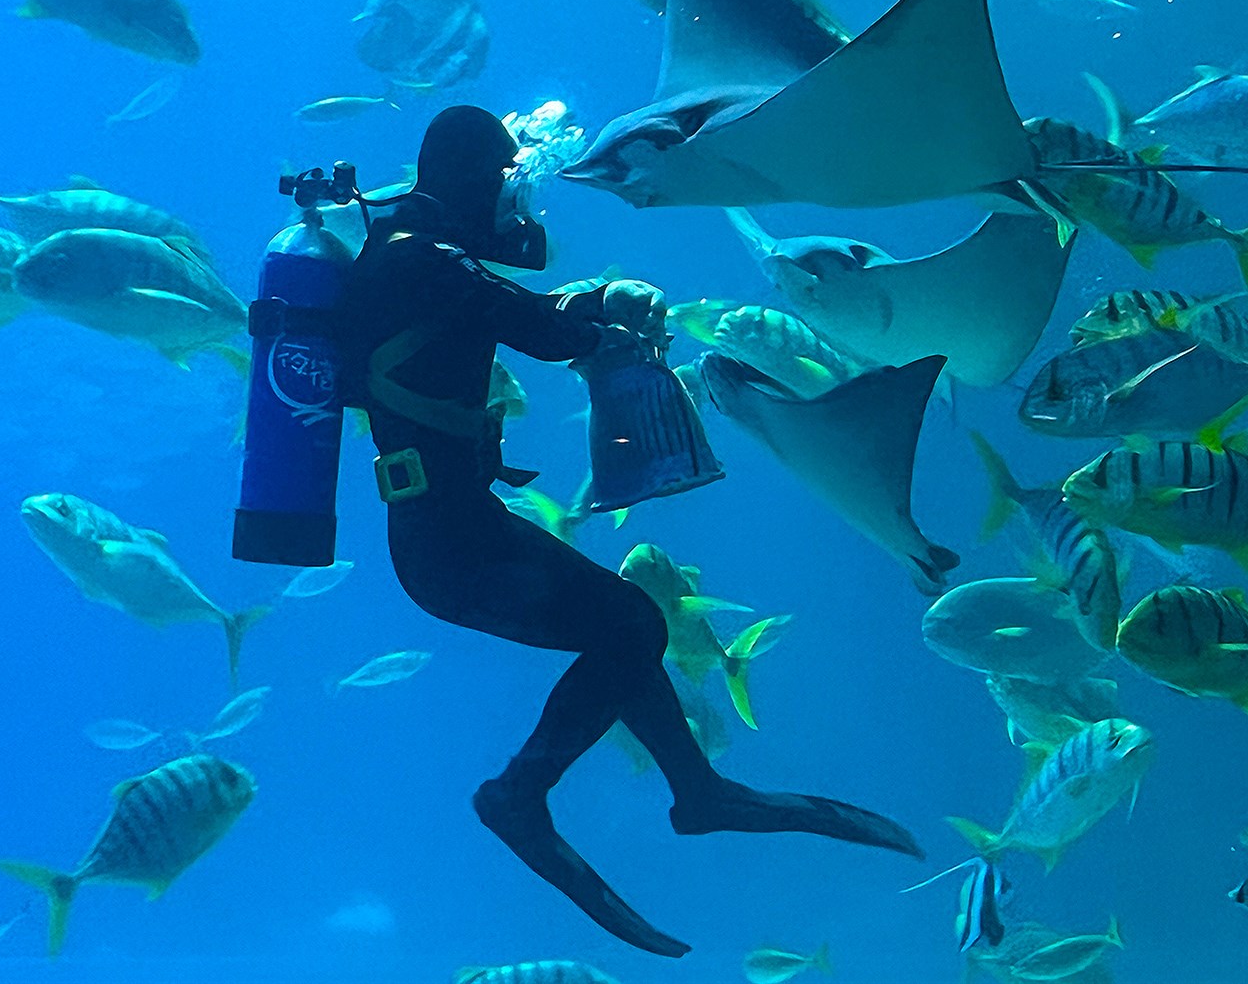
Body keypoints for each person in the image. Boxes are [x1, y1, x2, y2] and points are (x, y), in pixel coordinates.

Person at [336, 106, 922, 958]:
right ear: (469, 178)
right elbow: (538, 327)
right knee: (635, 622)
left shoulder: (412, 256)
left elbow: (516, 307)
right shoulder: (417, 261)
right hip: (448, 543)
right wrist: (603, 311)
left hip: (447, 529)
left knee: (623, 624)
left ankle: (700, 791)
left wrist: (593, 301)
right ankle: (522, 793)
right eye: (507, 181)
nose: (515, 203)